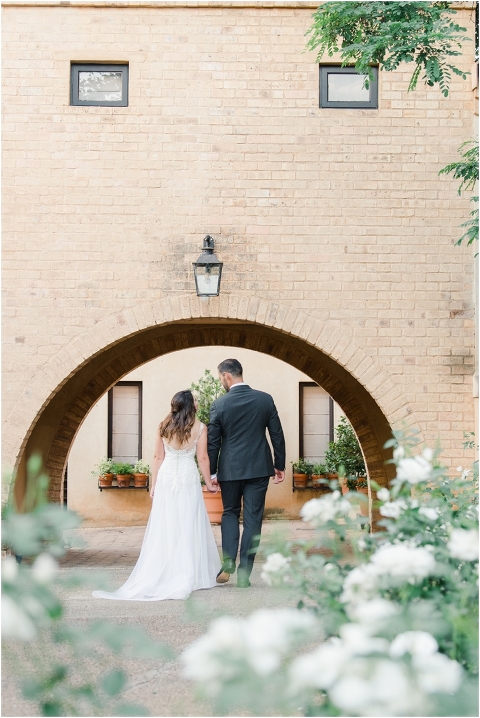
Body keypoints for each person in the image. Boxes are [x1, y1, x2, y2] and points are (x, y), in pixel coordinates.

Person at [92, 390, 221, 601]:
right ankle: (188, 571)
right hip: (187, 477)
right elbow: (203, 458)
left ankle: (167, 569)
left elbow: (157, 457)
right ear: (190, 405)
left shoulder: (163, 426)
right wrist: (209, 483)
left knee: (166, 523)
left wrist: (154, 485)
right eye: (195, 400)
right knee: (188, 521)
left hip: (167, 478)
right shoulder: (200, 428)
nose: (198, 402)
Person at [208, 358, 286, 588]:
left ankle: (228, 560)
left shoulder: (219, 404)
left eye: (220, 378)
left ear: (226, 376)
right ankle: (244, 574)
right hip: (259, 467)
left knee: (230, 513)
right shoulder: (265, 399)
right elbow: (277, 434)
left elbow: (213, 442)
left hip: (230, 468)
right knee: (253, 518)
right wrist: (279, 465)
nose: (221, 381)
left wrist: (212, 473)